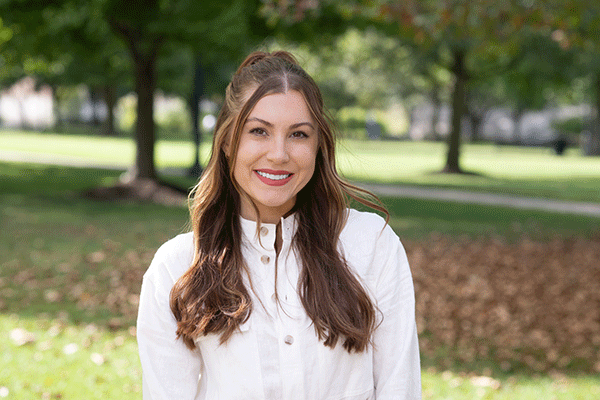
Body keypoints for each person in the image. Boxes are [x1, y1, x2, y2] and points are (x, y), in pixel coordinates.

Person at [137, 50, 421, 400]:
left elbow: (399, 388)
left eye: (298, 135)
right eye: (259, 131)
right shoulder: (177, 268)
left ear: (318, 146)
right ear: (227, 142)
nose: (278, 154)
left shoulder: (371, 245)